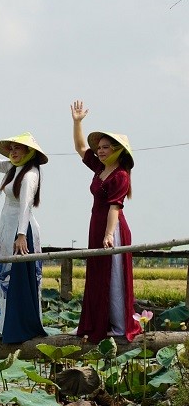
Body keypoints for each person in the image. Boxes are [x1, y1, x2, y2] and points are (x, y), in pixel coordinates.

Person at [0, 111, 48, 343]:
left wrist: (22, 235)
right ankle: (4, 324)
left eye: (18, 149)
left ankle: (20, 327)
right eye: (11, 149)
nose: (13, 153)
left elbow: (25, 205)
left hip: (21, 231)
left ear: (30, 152)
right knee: (5, 276)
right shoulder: (11, 168)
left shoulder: (30, 174)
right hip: (7, 230)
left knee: (18, 278)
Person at [71, 100, 140, 343]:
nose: (100, 151)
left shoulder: (120, 175)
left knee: (113, 275)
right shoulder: (100, 168)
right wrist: (77, 122)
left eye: (106, 147)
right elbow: (80, 147)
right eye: (99, 147)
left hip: (113, 227)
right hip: (96, 224)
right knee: (97, 273)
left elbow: (115, 207)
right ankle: (99, 322)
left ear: (118, 150)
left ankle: (118, 324)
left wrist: (109, 235)